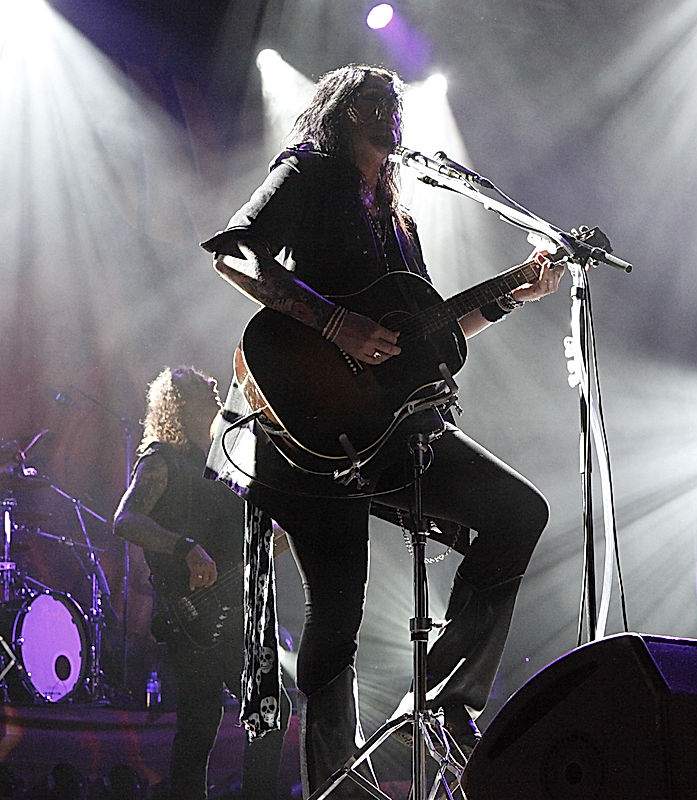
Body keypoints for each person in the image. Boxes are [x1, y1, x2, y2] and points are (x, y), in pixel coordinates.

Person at [199, 64, 561, 796]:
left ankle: (444, 701)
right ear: (338, 110)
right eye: (373, 99)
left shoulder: (399, 221)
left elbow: (422, 336)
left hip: (393, 431)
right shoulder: (305, 173)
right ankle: (335, 786)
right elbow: (234, 251)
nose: (390, 112)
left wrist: (513, 292)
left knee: (518, 512)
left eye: (396, 102)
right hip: (305, 436)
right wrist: (334, 321)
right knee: (337, 616)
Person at [113, 366, 291, 800]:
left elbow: (247, 542)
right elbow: (125, 520)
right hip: (189, 613)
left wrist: (285, 538)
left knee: (269, 711)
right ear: (181, 407)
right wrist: (185, 548)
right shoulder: (160, 459)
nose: (217, 407)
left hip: (237, 608)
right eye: (208, 400)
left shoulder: (224, 462)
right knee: (200, 721)